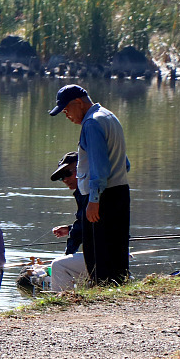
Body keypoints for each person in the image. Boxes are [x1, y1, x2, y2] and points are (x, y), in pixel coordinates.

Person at [49, 84, 131, 285]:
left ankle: (102, 290)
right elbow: (125, 163)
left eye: (67, 110)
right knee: (116, 247)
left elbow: (99, 166)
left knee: (98, 253)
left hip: (102, 195)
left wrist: (94, 200)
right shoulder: (109, 117)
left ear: (79, 102)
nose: (67, 115)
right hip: (119, 190)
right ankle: (117, 288)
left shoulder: (91, 123)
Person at [48, 152, 89, 292]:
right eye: (61, 177)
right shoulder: (86, 191)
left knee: (58, 265)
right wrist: (70, 228)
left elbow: (78, 232)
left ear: (82, 168)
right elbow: (86, 224)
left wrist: (67, 256)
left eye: (67, 173)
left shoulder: (87, 193)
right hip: (111, 253)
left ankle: (62, 306)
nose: (64, 179)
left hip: (106, 255)